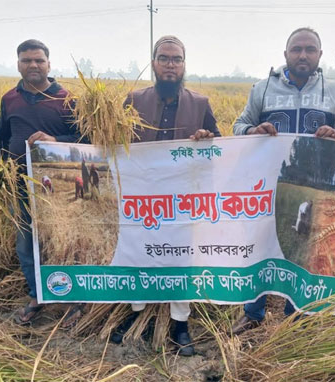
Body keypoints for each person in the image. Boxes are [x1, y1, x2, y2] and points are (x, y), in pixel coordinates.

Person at [232, 27, 335, 334]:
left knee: (306, 247)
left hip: (315, 182)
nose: (303, 55)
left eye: (310, 49)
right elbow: (239, 125)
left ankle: (296, 314)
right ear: (285, 54)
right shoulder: (262, 89)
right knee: (259, 245)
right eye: (297, 49)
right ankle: (253, 311)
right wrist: (252, 131)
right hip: (267, 182)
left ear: (320, 55)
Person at [110, 35, 221, 356]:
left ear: (184, 64)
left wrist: (206, 137)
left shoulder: (200, 104)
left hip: (182, 199)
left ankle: (180, 324)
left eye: (176, 59)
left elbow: (220, 147)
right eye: (164, 58)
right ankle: (135, 314)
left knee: (181, 257)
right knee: (137, 252)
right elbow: (110, 141)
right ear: (154, 62)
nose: (170, 65)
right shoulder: (133, 100)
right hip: (140, 198)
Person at [0, 39, 86, 325]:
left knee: (66, 243)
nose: (33, 65)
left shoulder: (67, 98)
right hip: (22, 186)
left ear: (48, 63)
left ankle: (75, 301)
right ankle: (39, 295)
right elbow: (1, 139)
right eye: (26, 60)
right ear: (18, 63)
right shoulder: (9, 99)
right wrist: (2, 176)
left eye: (38, 60)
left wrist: (56, 140)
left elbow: (87, 141)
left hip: (61, 187)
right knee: (27, 244)